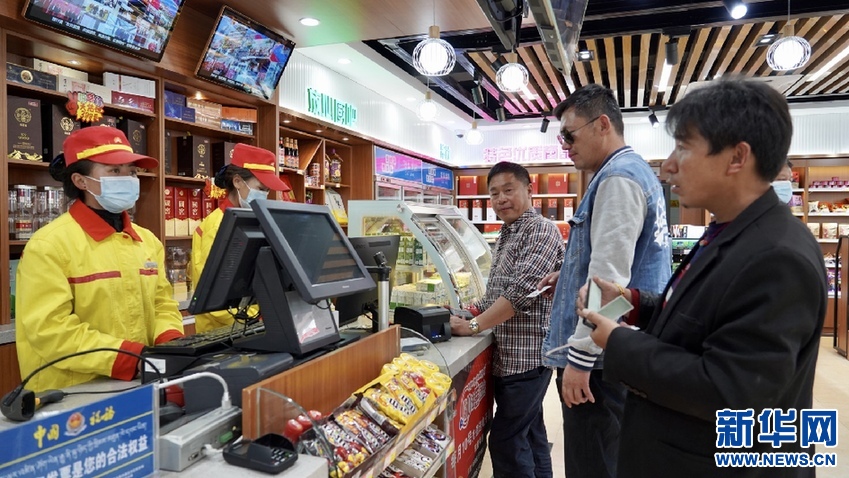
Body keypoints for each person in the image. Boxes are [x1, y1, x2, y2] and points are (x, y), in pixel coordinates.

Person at [579, 78, 827, 478]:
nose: (668, 165)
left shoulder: (777, 256)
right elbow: (707, 316)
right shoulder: (731, 229)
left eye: (683, 147)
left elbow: (728, 389)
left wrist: (618, 341)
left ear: (736, 157)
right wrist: (633, 302)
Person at [537, 84, 671, 478]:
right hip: (621, 353)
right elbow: (621, 261)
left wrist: (579, 361)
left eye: (570, 134)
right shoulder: (635, 172)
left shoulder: (617, 179)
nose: (566, 146)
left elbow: (609, 277)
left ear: (602, 125)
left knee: (594, 463)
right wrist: (568, 275)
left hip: (600, 361)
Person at [15, 127, 185, 392]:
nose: (128, 179)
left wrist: (171, 342)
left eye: (132, 172)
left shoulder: (147, 241)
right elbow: (49, 330)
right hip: (75, 394)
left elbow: (162, 304)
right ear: (81, 181)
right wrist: (131, 358)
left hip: (139, 381)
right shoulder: (48, 245)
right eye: (114, 171)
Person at [449, 161, 564, 478]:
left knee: (506, 441)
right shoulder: (507, 232)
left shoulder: (540, 230)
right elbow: (494, 295)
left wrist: (472, 326)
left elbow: (521, 293)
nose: (501, 199)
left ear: (530, 189)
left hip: (526, 359)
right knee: (531, 435)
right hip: (509, 357)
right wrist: (464, 310)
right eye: (494, 193)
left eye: (509, 190)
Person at [190, 143, 290, 332]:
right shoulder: (216, 227)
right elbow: (215, 296)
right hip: (221, 336)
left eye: (267, 190)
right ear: (237, 182)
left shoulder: (256, 220)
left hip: (251, 328)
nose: (264, 195)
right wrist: (262, 316)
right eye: (261, 188)